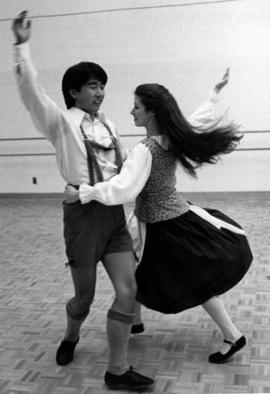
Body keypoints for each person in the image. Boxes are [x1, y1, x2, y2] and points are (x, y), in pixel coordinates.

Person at [65, 71, 253, 364]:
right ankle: (136, 321)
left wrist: (83, 193)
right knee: (137, 270)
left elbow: (123, 189)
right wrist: (213, 95)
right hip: (177, 217)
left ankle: (232, 334)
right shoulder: (169, 138)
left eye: (137, 106)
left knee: (192, 281)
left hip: (165, 227)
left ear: (151, 112)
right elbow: (195, 121)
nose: (131, 111)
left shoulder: (146, 149)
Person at [11, 10, 154, 390]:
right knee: (84, 298)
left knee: (128, 291)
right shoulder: (61, 122)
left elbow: (121, 170)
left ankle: (117, 369)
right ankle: (71, 334)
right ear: (74, 91)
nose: (100, 91)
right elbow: (30, 93)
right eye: (92, 85)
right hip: (81, 217)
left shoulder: (107, 124)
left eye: (102, 85)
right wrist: (22, 47)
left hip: (113, 216)